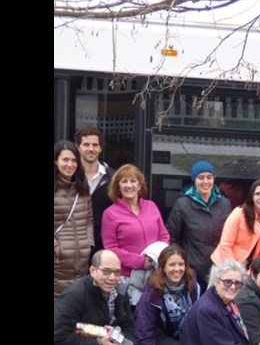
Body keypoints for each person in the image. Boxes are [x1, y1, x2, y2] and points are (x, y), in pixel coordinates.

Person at [53, 250, 152, 345]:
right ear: (93, 270)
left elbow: (129, 328)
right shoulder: (75, 295)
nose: (112, 278)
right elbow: (58, 336)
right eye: (106, 271)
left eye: (117, 272)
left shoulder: (120, 293)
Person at [101, 164, 171, 305]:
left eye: (133, 181)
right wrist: (140, 262)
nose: (129, 185)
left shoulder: (151, 206)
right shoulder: (110, 213)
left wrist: (155, 259)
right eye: (124, 181)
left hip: (155, 274)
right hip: (127, 280)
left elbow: (164, 237)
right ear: (118, 187)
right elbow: (111, 249)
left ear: (139, 186)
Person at [134, 244, 201, 345]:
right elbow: (144, 333)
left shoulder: (192, 287)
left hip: (182, 333)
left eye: (181, 264)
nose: (177, 269)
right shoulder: (150, 296)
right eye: (172, 265)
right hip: (157, 338)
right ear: (163, 267)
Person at [166, 160, 232, 290]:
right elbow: (172, 238)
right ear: (194, 180)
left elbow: (230, 236)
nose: (205, 182)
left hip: (218, 269)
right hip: (191, 271)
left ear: (214, 179)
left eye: (209, 177)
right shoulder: (182, 204)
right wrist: (181, 264)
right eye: (201, 178)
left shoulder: (225, 204)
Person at [211, 179, 260, 268]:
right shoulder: (239, 213)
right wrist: (234, 270)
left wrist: (253, 271)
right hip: (224, 265)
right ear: (251, 197)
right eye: (257, 194)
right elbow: (225, 245)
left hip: (251, 269)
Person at [54, 140, 94, 297]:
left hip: (82, 261)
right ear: (56, 161)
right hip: (58, 263)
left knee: (77, 307)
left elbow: (89, 219)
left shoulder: (82, 187)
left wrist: (88, 243)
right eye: (65, 160)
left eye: (73, 160)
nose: (69, 164)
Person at [74, 125, 114, 252]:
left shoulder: (112, 178)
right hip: (73, 245)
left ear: (100, 148)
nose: (91, 149)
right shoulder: (68, 177)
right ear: (77, 146)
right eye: (86, 144)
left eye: (95, 145)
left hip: (104, 245)